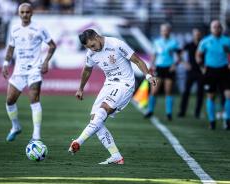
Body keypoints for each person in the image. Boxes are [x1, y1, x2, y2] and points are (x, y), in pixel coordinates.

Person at [68, 29, 158, 164]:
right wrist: (80, 89)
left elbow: (138, 60)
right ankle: (116, 156)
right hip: (109, 84)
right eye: (88, 48)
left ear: (97, 37)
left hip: (124, 84)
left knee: (102, 111)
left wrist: (148, 76)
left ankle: (78, 141)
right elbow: (87, 69)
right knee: (95, 119)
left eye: (92, 45)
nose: (92, 49)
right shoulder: (91, 53)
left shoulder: (116, 44)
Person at [2, 3, 56, 142]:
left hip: (34, 69)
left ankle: (36, 137)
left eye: (27, 12)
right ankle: (15, 128)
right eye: (22, 12)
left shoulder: (39, 28)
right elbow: (10, 48)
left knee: (34, 100)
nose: (25, 14)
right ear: (19, 14)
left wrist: (46, 61)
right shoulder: (14, 29)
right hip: (19, 71)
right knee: (9, 101)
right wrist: (6, 63)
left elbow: (52, 45)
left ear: (32, 13)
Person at [196, 20, 230, 130]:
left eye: (219, 27)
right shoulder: (205, 41)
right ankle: (212, 121)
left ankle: (227, 120)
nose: (217, 28)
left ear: (221, 28)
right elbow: (198, 55)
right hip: (210, 71)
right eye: (215, 27)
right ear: (211, 29)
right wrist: (202, 66)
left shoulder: (227, 41)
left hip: (224, 70)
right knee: (211, 96)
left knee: (228, 95)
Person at [144, 23, 181, 121]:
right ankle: (150, 111)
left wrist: (174, 65)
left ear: (169, 31)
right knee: (154, 91)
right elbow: (154, 55)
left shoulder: (174, 42)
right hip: (159, 68)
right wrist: (150, 66)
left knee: (168, 91)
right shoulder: (157, 42)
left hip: (169, 68)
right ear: (161, 32)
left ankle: (169, 113)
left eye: (166, 30)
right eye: (162, 30)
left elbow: (179, 57)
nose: (164, 32)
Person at [177, 28, 204, 118]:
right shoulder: (189, 45)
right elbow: (179, 53)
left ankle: (197, 112)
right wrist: (185, 64)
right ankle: (182, 111)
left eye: (199, 34)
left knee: (200, 93)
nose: (197, 35)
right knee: (186, 92)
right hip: (191, 71)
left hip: (201, 72)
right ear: (193, 35)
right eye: (196, 34)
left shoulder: (203, 45)